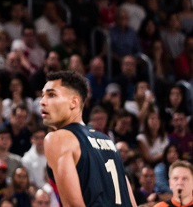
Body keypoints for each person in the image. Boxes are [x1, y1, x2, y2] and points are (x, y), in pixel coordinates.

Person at [41, 71, 136, 207]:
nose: (42, 102)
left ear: (73, 102)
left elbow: (73, 205)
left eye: (51, 95)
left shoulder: (58, 138)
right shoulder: (108, 141)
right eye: (42, 95)